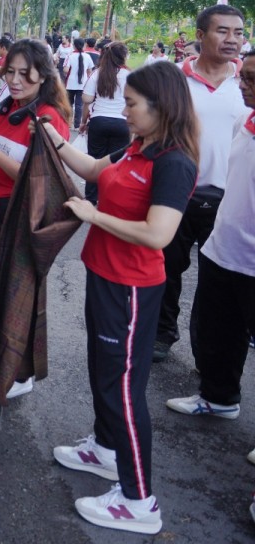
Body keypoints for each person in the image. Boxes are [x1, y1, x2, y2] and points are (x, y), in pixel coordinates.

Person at [44, 61, 199, 535]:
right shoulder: (140, 146)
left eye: (132, 104)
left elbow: (157, 234)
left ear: (161, 106)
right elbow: (91, 167)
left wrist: (93, 216)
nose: (125, 111)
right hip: (104, 276)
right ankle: (106, 449)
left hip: (133, 286)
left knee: (124, 390)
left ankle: (139, 500)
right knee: (102, 370)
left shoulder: (174, 162)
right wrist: (48, 132)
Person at [165, 50, 255, 424]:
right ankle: (218, 398)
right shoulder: (245, 120)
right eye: (243, 77)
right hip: (224, 248)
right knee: (220, 331)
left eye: (251, 79)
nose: (243, 84)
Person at [155, 4, 247, 363]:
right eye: (222, 31)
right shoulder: (174, 79)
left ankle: (211, 362)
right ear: (199, 35)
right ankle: (162, 334)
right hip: (177, 196)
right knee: (166, 271)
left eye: (239, 32)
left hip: (231, 201)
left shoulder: (247, 81)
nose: (232, 40)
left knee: (221, 285)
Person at [0, 38, 72, 252]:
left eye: (24, 73)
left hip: (21, 213)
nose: (14, 80)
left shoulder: (48, 117)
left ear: (43, 76)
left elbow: (38, 178)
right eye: (10, 71)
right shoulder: (8, 107)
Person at [80, 42, 131, 204]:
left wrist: (83, 122)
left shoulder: (97, 73)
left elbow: (86, 99)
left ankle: (90, 199)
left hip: (98, 121)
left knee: (94, 161)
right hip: (123, 124)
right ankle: (109, 198)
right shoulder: (130, 75)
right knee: (116, 163)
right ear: (123, 56)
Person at [64, 38, 94, 127]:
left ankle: (68, 123)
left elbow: (65, 69)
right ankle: (77, 124)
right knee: (79, 105)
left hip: (70, 84)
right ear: (84, 45)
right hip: (82, 84)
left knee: (69, 104)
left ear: (74, 46)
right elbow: (90, 71)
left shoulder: (70, 55)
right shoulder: (87, 56)